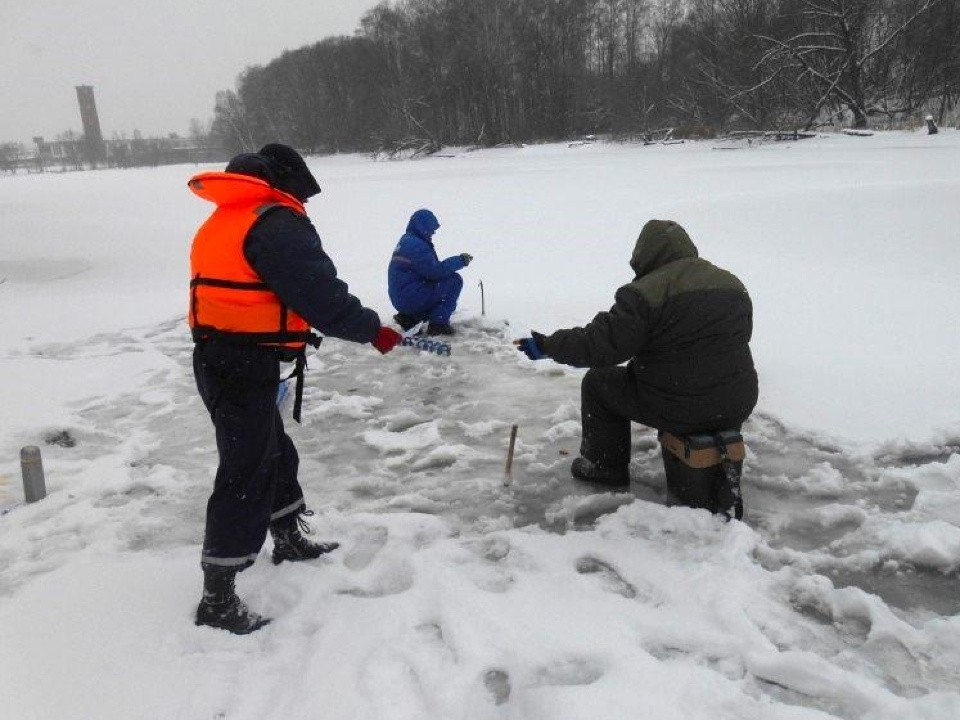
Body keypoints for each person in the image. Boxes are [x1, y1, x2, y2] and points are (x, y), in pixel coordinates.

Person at [188, 143, 403, 634]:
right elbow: (320, 295)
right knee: (245, 469)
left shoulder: (227, 218)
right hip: (239, 362)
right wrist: (373, 329)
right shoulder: (273, 223)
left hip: (224, 356)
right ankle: (217, 596)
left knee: (274, 452)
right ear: (284, 181)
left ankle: (287, 536)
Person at [516, 219, 758, 490]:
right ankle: (714, 448)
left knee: (599, 383)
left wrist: (549, 345)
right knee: (701, 386)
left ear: (645, 254)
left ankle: (604, 467)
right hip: (736, 403)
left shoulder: (645, 293)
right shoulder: (731, 284)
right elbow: (738, 338)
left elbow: (601, 346)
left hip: (678, 402)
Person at [388, 208, 472, 335]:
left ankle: (410, 318)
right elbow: (434, 272)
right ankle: (438, 325)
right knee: (454, 281)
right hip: (410, 298)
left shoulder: (407, 241)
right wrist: (460, 261)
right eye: (431, 229)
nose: (432, 232)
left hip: (401, 297)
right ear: (423, 226)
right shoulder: (416, 245)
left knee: (435, 288)